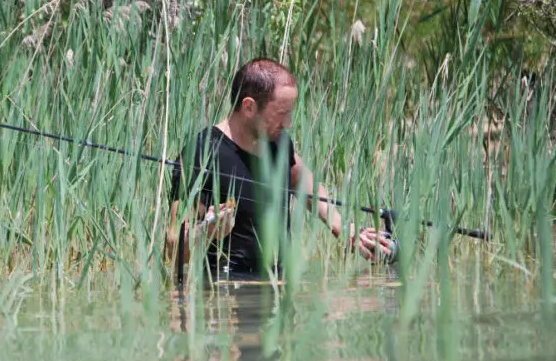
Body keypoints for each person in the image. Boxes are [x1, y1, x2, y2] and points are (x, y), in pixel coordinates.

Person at [165, 58, 394, 284]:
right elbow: (173, 248)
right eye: (282, 113)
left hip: (280, 284)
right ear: (249, 107)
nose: (289, 123)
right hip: (227, 290)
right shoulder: (203, 153)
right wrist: (207, 232)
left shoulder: (279, 143)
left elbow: (300, 177)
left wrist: (343, 228)